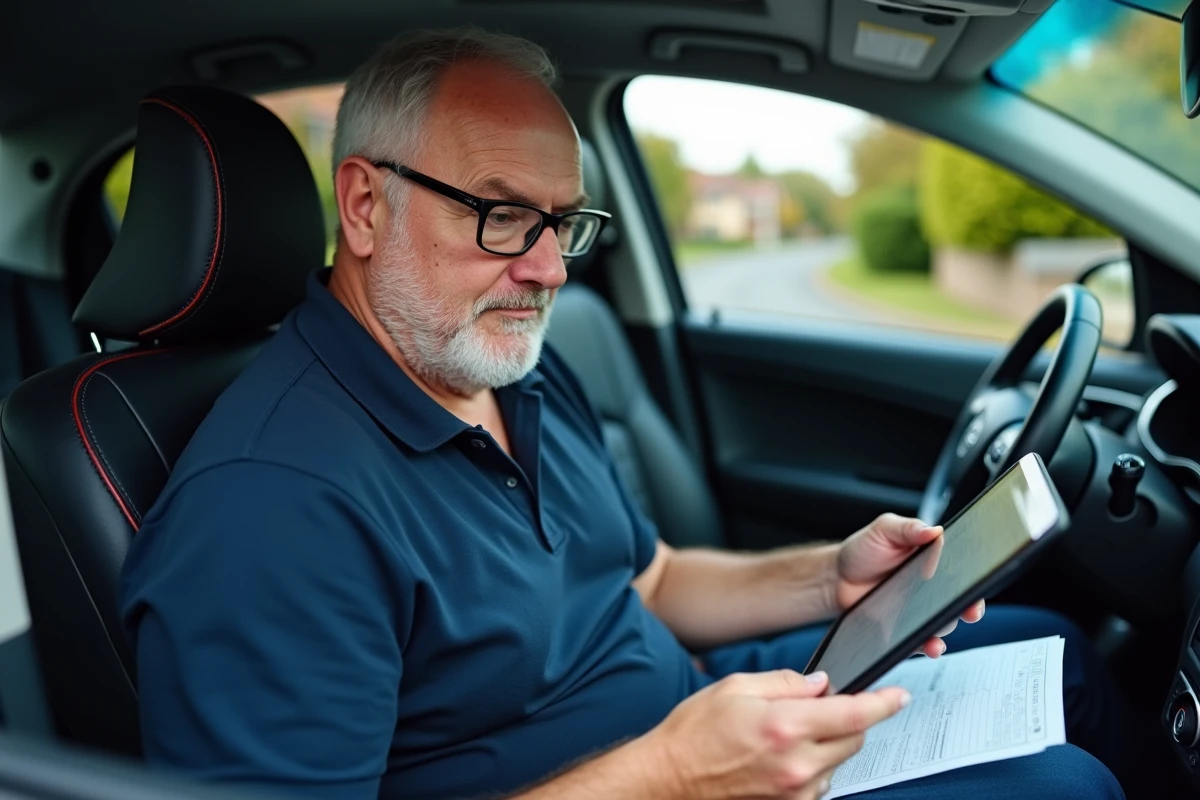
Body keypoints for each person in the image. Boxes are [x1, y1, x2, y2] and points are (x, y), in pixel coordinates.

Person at [120, 28, 1128, 800]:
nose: (550, 267)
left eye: (563, 221)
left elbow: (651, 576)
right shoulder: (268, 505)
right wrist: (677, 771)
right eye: (504, 213)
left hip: (694, 710)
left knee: (1052, 649)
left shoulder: (508, 362)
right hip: (667, 768)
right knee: (1067, 785)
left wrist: (830, 578)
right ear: (365, 206)